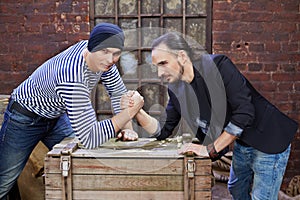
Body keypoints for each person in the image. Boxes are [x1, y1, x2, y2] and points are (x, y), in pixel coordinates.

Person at [122, 32, 298, 200]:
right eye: (156, 67)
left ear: (182, 56)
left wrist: (209, 149)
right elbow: (163, 130)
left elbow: (244, 112)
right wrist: (137, 110)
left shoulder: (217, 66)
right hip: (243, 142)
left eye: (163, 63)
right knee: (236, 188)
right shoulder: (176, 90)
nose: (159, 73)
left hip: (269, 137)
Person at [0, 22, 144, 199]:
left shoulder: (103, 59)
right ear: (91, 48)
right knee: (4, 181)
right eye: (105, 52)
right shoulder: (71, 76)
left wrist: (127, 128)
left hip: (55, 115)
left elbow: (117, 93)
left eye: (116, 54)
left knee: (82, 160)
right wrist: (128, 114)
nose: (110, 59)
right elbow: (90, 137)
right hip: (24, 116)